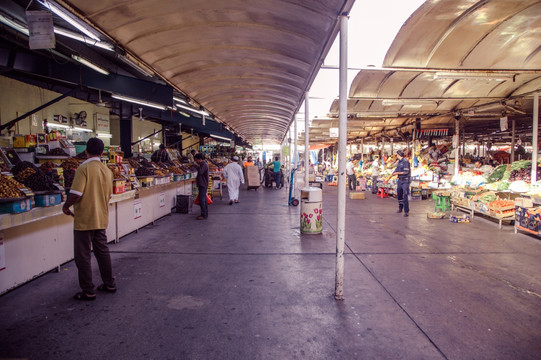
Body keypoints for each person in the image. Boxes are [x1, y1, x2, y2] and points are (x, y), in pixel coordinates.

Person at [62, 137, 116, 301]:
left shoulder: (83, 168)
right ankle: (109, 283)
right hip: (101, 218)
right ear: (102, 152)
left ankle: (88, 290)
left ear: (86, 150)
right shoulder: (107, 171)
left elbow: (76, 194)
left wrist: (66, 206)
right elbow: (110, 195)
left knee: (83, 256)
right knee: (102, 252)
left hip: (85, 219)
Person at [385, 150, 411, 217]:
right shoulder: (399, 162)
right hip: (400, 180)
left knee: (405, 195)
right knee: (399, 195)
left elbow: (406, 172)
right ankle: (400, 207)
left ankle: (406, 211)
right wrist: (389, 177)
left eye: (396, 155)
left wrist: (397, 173)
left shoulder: (405, 162)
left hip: (405, 181)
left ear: (399, 155)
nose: (396, 156)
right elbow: (396, 170)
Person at [194, 153, 209, 220]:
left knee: (202, 199)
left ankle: (204, 214)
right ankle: (204, 213)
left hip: (203, 184)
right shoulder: (202, 164)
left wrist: (196, 166)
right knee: (203, 199)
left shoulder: (204, 165)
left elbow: (200, 172)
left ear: (200, 159)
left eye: (196, 160)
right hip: (202, 184)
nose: (196, 161)